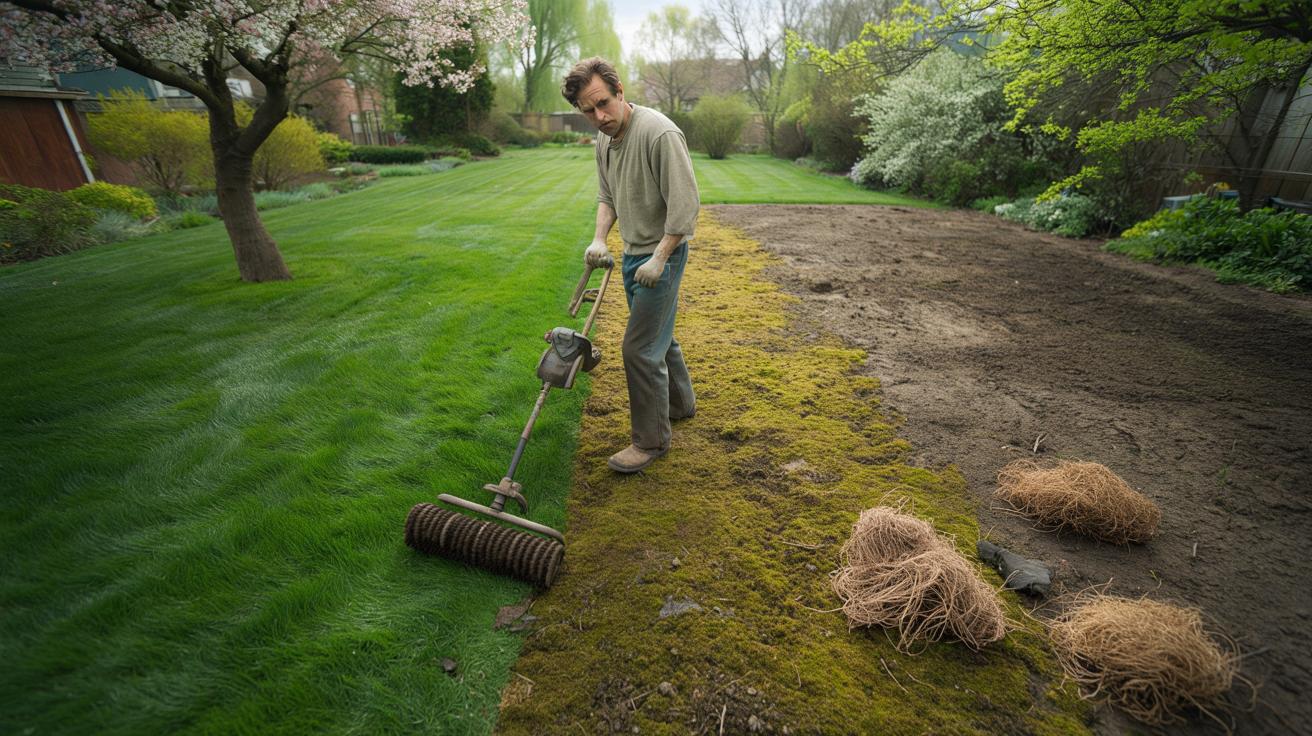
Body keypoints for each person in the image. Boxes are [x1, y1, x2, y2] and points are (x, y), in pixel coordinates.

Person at [561, 57, 699, 474]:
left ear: (620, 92)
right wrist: (600, 238)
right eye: (588, 110)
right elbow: (608, 196)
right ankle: (680, 404)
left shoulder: (659, 133)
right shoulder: (604, 140)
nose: (599, 116)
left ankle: (650, 441)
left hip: (663, 256)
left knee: (638, 349)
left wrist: (660, 257)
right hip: (632, 255)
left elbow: (686, 206)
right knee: (658, 336)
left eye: (603, 103)